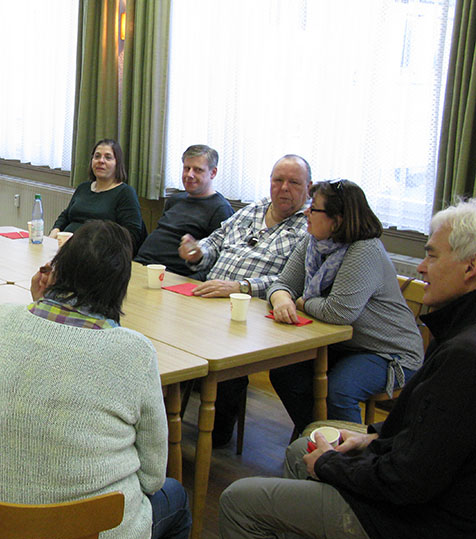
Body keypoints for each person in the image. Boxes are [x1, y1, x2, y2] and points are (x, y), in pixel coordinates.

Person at [218, 200, 476, 539]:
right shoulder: (459, 334)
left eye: (430, 254)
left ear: (470, 268)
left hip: (420, 529)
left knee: (240, 502)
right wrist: (370, 438)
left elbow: (407, 481)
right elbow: (428, 430)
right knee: (304, 443)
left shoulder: (465, 355)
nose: (421, 269)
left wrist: (333, 465)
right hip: (422, 502)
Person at [0, 221, 191, 539]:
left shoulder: (4, 319)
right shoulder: (134, 352)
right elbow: (153, 478)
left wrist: (39, 300)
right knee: (176, 499)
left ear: (56, 270)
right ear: (120, 285)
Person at [267, 179, 423, 434]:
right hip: (344, 345)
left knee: (340, 389)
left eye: (313, 208)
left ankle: (348, 458)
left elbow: (338, 312)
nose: (306, 212)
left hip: (388, 351)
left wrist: (302, 301)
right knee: (285, 372)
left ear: (337, 219)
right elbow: (283, 283)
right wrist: (281, 298)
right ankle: (316, 436)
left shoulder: (364, 250)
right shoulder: (312, 242)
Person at [176, 155, 312, 447]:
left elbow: (291, 283)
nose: (283, 188)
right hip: (210, 296)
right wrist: (198, 251)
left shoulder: (309, 226)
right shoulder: (256, 208)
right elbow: (216, 239)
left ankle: (217, 430)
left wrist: (240, 287)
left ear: (309, 187)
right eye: (278, 180)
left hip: (252, 312)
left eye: (293, 182)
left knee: (225, 347)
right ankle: (161, 418)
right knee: (167, 331)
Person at [135, 144, 234, 277]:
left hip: (173, 276)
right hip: (141, 265)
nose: (189, 175)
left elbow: (216, 263)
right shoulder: (175, 200)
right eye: (186, 168)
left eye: (198, 170)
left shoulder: (221, 209)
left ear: (213, 173)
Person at [49, 139, 145, 255]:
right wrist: (56, 230)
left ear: (117, 163)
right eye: (97, 156)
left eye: (108, 157)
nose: (101, 161)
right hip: (67, 249)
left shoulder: (125, 193)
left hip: (99, 256)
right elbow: (66, 216)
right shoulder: (83, 188)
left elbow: (131, 236)